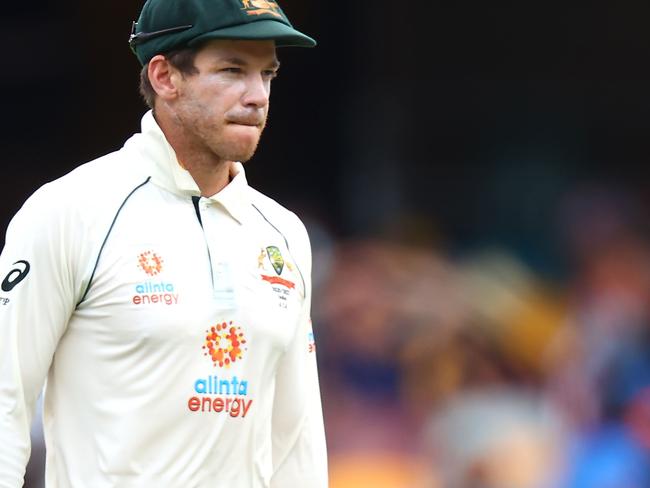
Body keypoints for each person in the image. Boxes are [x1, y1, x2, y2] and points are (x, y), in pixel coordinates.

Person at [0, 0, 327, 486]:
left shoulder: (283, 234)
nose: (257, 95)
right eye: (232, 70)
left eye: (268, 75)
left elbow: (296, 440)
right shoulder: (70, 211)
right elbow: (5, 401)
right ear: (164, 77)